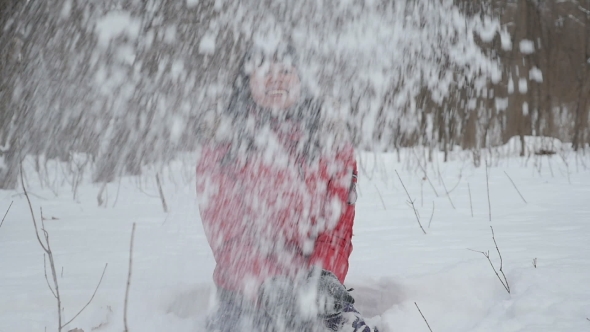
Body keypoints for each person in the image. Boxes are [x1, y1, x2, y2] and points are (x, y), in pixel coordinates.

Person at [196, 42, 378, 332]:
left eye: (285, 70)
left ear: (301, 78)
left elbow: (337, 231)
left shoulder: (331, 142)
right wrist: (266, 284)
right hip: (245, 293)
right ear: (247, 79)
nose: (276, 78)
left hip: (318, 291)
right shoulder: (223, 146)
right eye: (264, 70)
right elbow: (228, 238)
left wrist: (323, 277)